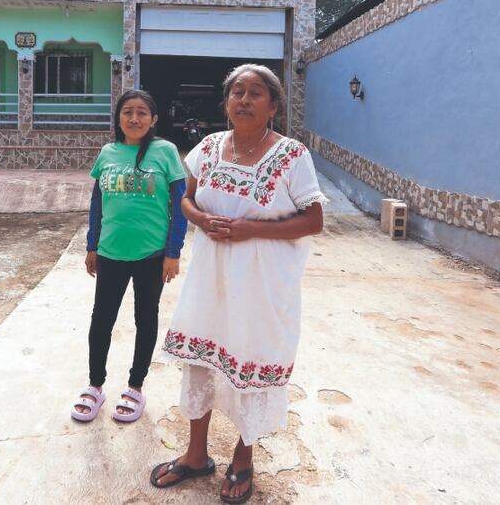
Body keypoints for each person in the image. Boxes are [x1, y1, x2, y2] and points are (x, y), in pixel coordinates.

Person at [149, 64, 325, 504]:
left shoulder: (291, 155)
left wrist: (252, 230)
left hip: (261, 285)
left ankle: (243, 459)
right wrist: (200, 218)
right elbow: (185, 198)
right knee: (201, 360)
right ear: (226, 103)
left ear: (274, 105)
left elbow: (314, 219)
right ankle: (194, 455)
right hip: (209, 280)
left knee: (249, 362)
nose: (244, 100)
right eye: (237, 92)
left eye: (256, 93)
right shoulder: (208, 148)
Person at [70, 89, 188, 424]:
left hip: (151, 256)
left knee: (145, 319)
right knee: (101, 320)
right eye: (127, 112)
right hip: (110, 253)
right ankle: (95, 385)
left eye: (141, 113)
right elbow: (97, 204)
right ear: (118, 118)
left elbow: (180, 207)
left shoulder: (165, 152)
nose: (134, 119)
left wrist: (173, 252)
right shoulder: (108, 152)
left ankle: (135, 387)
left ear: (153, 119)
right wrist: (92, 245)